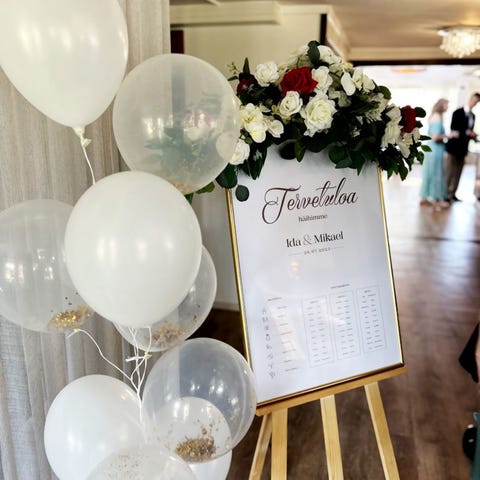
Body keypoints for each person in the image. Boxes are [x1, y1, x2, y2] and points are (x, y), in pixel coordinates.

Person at [445, 92, 480, 202]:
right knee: (449, 172)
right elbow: (453, 129)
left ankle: (453, 193)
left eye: (477, 102)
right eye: (474, 101)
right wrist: (467, 132)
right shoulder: (457, 112)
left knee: (458, 172)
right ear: (470, 99)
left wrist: (473, 136)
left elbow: (469, 132)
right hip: (453, 148)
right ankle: (445, 195)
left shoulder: (473, 116)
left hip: (463, 149)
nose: (475, 103)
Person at [419, 98, 450, 209]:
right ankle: (437, 200)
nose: (447, 107)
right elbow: (435, 137)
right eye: (446, 105)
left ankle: (424, 198)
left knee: (429, 172)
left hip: (430, 148)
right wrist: (449, 135)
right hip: (436, 149)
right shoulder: (437, 117)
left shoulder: (434, 116)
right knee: (437, 173)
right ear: (441, 105)